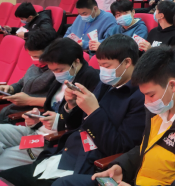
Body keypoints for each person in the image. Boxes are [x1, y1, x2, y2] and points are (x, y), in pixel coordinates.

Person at [0, 35, 145, 186]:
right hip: (65, 152)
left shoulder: (140, 97)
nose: (102, 71)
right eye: (100, 66)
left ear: (127, 62)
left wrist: (93, 112)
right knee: (6, 178)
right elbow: (75, 125)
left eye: (106, 66)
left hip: (84, 164)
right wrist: (71, 105)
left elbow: (120, 147)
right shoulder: (106, 83)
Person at [91, 47, 175, 186]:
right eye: (144, 95)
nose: (146, 102)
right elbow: (147, 148)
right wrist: (122, 167)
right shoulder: (161, 106)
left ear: (172, 86)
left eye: (151, 95)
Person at [0, 38, 99, 170]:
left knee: (2, 159)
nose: (56, 74)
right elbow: (50, 106)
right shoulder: (62, 77)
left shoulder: (91, 80)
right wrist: (37, 116)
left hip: (53, 140)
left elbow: (86, 122)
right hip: (36, 130)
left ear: (76, 62)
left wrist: (59, 121)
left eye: (59, 70)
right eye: (53, 70)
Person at [0, 29, 57, 123]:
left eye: (37, 56)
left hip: (28, 117)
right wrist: (10, 89)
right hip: (9, 110)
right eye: (32, 56)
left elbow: (59, 102)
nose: (35, 60)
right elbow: (21, 84)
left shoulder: (59, 72)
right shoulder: (36, 65)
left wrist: (29, 100)